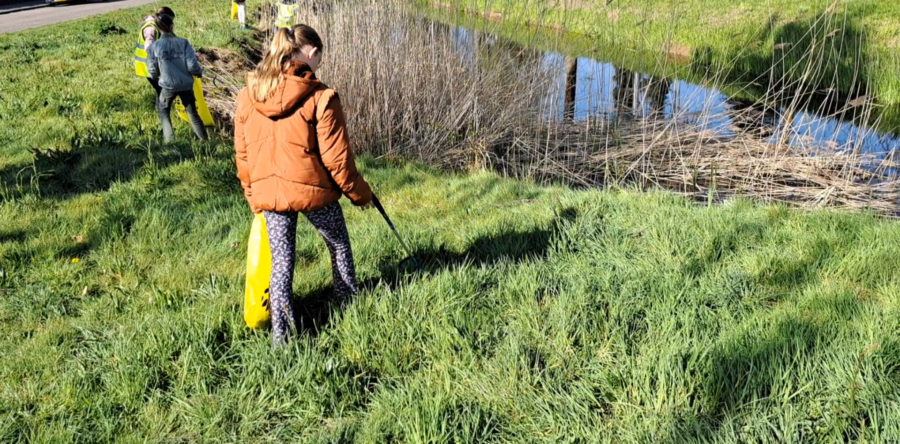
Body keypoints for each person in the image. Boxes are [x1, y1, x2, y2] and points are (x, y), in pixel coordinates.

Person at [234, 25, 372, 345]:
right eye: (319, 59)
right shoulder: (322, 97)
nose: (318, 67)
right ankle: (349, 304)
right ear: (310, 53)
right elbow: (338, 162)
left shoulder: (247, 95)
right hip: (314, 194)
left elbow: (243, 157)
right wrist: (360, 195)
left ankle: (281, 338)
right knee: (337, 245)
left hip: (269, 195)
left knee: (281, 263)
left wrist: (255, 197)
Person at [146, 13, 208, 142]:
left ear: (158, 28)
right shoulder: (184, 43)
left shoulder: (155, 46)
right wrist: (199, 72)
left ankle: (170, 142)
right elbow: (192, 65)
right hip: (186, 85)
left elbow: (152, 70)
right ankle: (204, 140)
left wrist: (155, 76)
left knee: (164, 111)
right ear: (172, 26)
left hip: (167, 85)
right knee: (193, 114)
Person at [134, 7, 176, 109]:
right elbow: (148, 47)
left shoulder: (155, 26)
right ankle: (162, 111)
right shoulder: (151, 28)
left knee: (160, 89)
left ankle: (161, 110)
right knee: (162, 89)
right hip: (148, 65)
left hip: (150, 65)